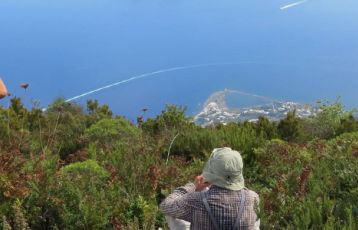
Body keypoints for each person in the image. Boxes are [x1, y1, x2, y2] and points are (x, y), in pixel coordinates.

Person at [160, 147, 260, 230]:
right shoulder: (253, 198)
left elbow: (165, 206)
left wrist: (193, 186)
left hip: (195, 199)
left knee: (173, 212)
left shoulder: (195, 200)